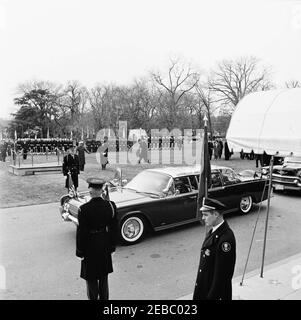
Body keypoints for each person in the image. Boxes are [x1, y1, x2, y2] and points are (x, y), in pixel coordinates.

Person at [76, 178, 118, 300]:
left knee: (91, 279)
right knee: (104, 278)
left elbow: (82, 232)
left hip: (90, 246)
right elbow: (113, 228)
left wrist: (80, 251)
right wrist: (112, 246)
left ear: (90, 191)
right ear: (101, 191)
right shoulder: (110, 206)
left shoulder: (84, 209)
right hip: (105, 244)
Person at [193, 197, 236, 300]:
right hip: (205, 288)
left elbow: (222, 276)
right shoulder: (214, 231)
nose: (203, 218)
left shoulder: (225, 240)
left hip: (213, 294)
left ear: (216, 214)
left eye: (206, 215)